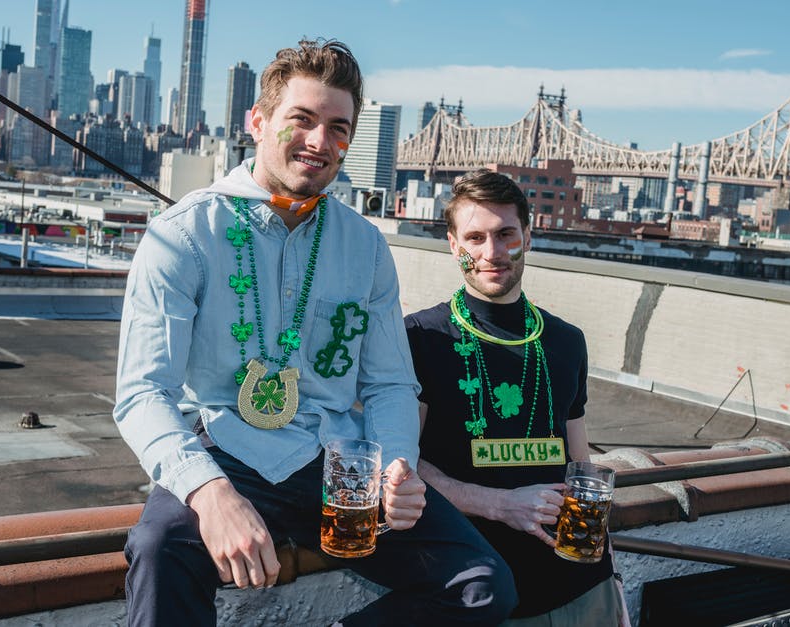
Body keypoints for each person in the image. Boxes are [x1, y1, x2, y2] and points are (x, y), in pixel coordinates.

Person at [114, 40, 516, 626]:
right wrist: (210, 494)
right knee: (159, 549)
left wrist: (398, 464)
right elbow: (142, 394)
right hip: (228, 451)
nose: (320, 142)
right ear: (257, 121)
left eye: (338, 127)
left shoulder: (365, 245)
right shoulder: (182, 236)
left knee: (482, 584)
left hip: (338, 464)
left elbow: (388, 385)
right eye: (302, 120)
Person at [406, 170, 628, 625]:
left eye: (506, 234)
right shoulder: (420, 338)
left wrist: (613, 578)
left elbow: (580, 466)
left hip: (583, 590)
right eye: (475, 237)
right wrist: (499, 504)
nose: (492, 253)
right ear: (454, 245)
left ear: (528, 235)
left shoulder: (567, 341)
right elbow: (402, 463)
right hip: (485, 595)